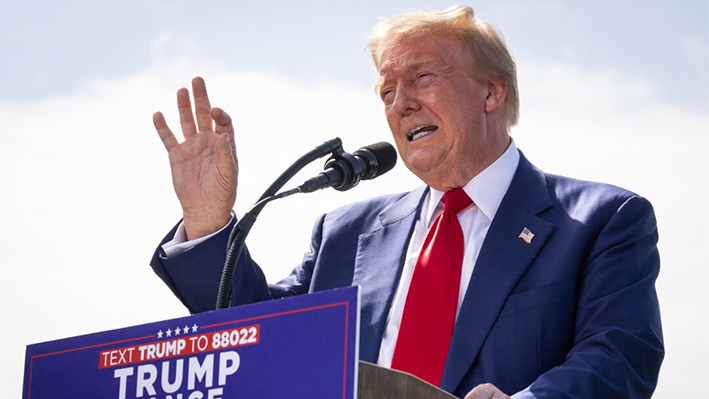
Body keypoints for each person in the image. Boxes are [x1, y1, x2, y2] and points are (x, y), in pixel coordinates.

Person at [150, 6, 663, 399]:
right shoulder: (344, 232)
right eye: (387, 90)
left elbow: (619, 354)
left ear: (491, 93)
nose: (401, 103)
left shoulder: (602, 221)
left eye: (422, 77)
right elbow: (260, 337)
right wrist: (206, 221)